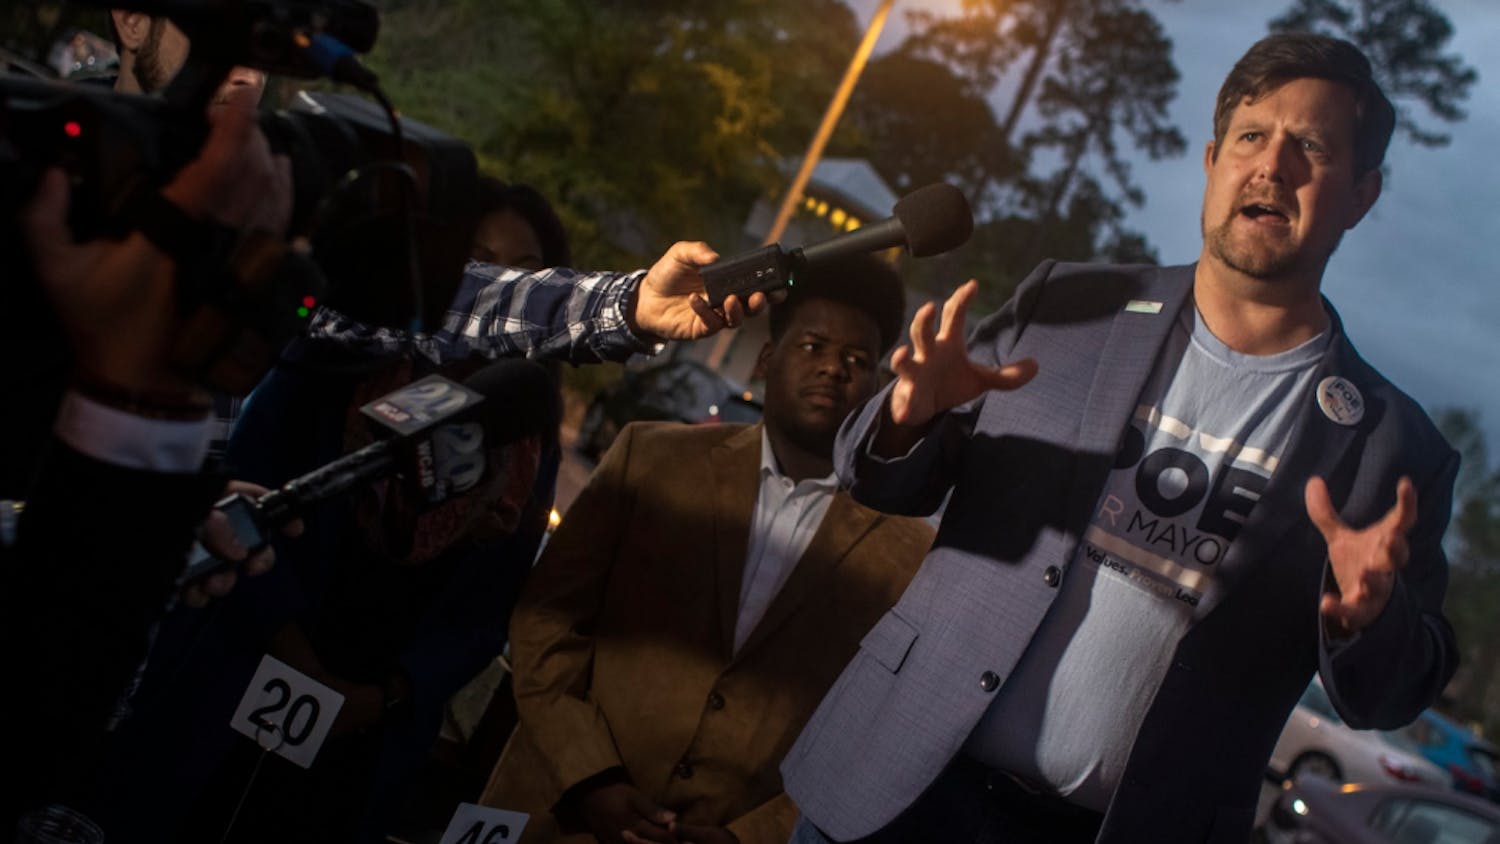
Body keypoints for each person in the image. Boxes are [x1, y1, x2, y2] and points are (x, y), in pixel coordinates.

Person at [781, 33, 1460, 844]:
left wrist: (1366, 619)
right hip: (895, 786)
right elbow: (875, 477)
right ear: (1212, 161)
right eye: (1252, 136)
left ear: (1361, 195)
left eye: (1311, 146)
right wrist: (909, 417)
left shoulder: (1395, 449)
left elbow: (1397, 690)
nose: (1273, 164)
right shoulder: (1073, 305)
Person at [479, 254, 934, 844]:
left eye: (855, 360)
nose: (832, 370)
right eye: (813, 346)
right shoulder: (651, 458)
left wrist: (747, 839)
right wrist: (590, 778)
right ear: (767, 359)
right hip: (556, 812)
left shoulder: (907, 555)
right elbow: (545, 624)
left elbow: (870, 742)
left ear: (876, 386)